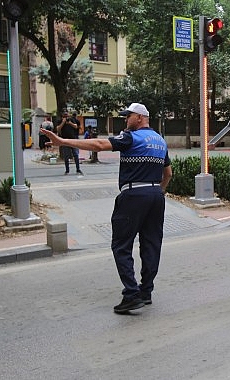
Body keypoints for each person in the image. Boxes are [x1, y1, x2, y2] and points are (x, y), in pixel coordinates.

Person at [41, 102, 173, 314]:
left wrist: (62, 141)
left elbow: (100, 145)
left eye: (128, 116)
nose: (125, 120)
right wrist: (159, 192)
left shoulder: (131, 137)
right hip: (156, 196)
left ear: (139, 117)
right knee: (151, 244)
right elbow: (168, 175)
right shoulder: (160, 141)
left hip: (133, 196)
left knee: (121, 245)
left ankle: (131, 294)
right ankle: (146, 291)